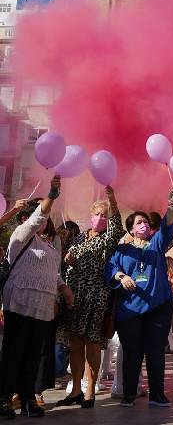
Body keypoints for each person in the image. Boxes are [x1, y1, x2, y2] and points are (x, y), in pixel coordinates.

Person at [0, 176, 74, 419]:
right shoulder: (21, 235)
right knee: (14, 351)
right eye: (42, 217)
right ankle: (4, 398)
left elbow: (53, 272)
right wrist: (52, 196)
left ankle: (29, 397)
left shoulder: (48, 245)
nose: (46, 220)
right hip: (20, 301)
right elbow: (37, 217)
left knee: (34, 353)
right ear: (25, 219)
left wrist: (63, 289)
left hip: (42, 305)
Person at [106, 187, 173, 408]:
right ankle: (129, 394)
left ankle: (157, 394)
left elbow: (167, 227)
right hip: (130, 312)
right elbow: (110, 269)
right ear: (131, 229)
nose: (144, 225)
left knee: (156, 353)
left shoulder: (156, 245)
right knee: (132, 354)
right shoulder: (121, 250)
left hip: (158, 309)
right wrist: (121, 276)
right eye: (139, 223)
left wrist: (172, 206)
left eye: (146, 222)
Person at [55, 187, 125, 410]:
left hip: (95, 297)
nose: (100, 218)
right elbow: (69, 262)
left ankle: (90, 390)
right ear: (90, 215)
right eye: (97, 214)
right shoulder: (78, 238)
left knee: (92, 345)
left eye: (104, 215)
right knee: (75, 344)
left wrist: (112, 200)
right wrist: (69, 259)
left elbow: (117, 225)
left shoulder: (109, 238)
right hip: (74, 297)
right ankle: (76, 389)